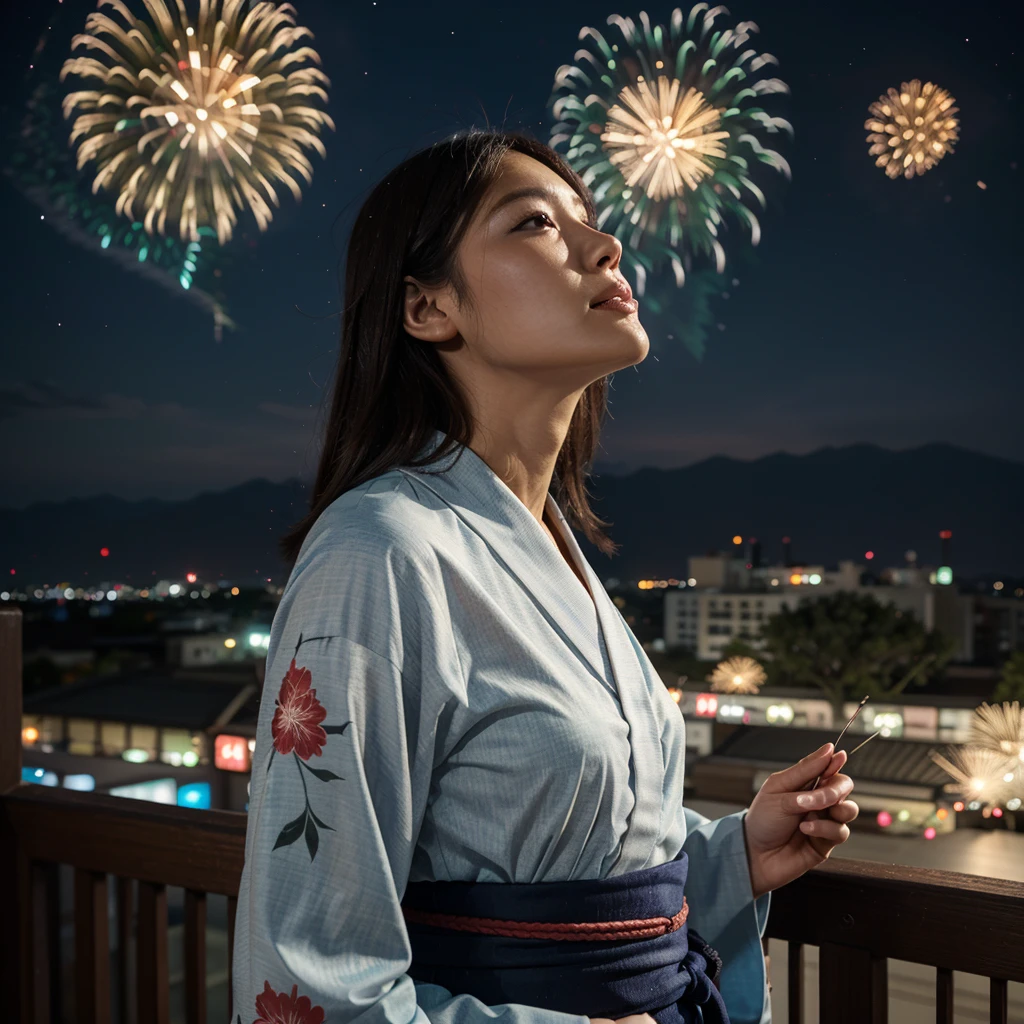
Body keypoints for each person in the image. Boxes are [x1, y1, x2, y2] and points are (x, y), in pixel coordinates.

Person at [231, 129, 859, 1024]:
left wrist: (735, 858)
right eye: (534, 223)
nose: (604, 246)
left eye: (592, 222)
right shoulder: (378, 551)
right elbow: (305, 975)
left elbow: (578, 859)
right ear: (426, 308)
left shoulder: (557, 550)